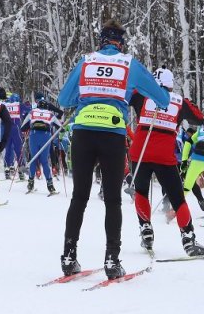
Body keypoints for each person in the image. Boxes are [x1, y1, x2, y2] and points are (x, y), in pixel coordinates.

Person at [57, 20, 168, 279]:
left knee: (79, 197)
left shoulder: (86, 61)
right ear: (121, 42)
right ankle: (112, 260)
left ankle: (69, 256)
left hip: (83, 131)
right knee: (113, 200)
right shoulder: (129, 64)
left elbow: (64, 100)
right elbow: (160, 98)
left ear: (102, 41)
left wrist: (86, 98)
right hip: (112, 134)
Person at [128, 66, 204, 255]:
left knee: (140, 191)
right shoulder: (179, 101)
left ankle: (146, 229)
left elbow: (124, 94)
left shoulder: (141, 95)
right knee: (177, 197)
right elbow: (199, 118)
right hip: (164, 155)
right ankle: (188, 239)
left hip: (140, 152)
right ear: (171, 85)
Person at [22, 92, 63, 194]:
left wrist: (29, 127)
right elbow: (61, 128)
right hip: (46, 137)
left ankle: (30, 183)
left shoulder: (32, 112)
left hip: (34, 136)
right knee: (44, 161)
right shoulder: (50, 114)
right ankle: (50, 185)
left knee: (33, 159)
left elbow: (23, 127)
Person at [3, 93, 25, 179]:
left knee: (8, 150)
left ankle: (7, 169)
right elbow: (27, 110)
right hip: (16, 130)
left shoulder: (5, 105)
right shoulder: (18, 105)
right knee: (18, 150)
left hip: (7, 130)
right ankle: (21, 171)